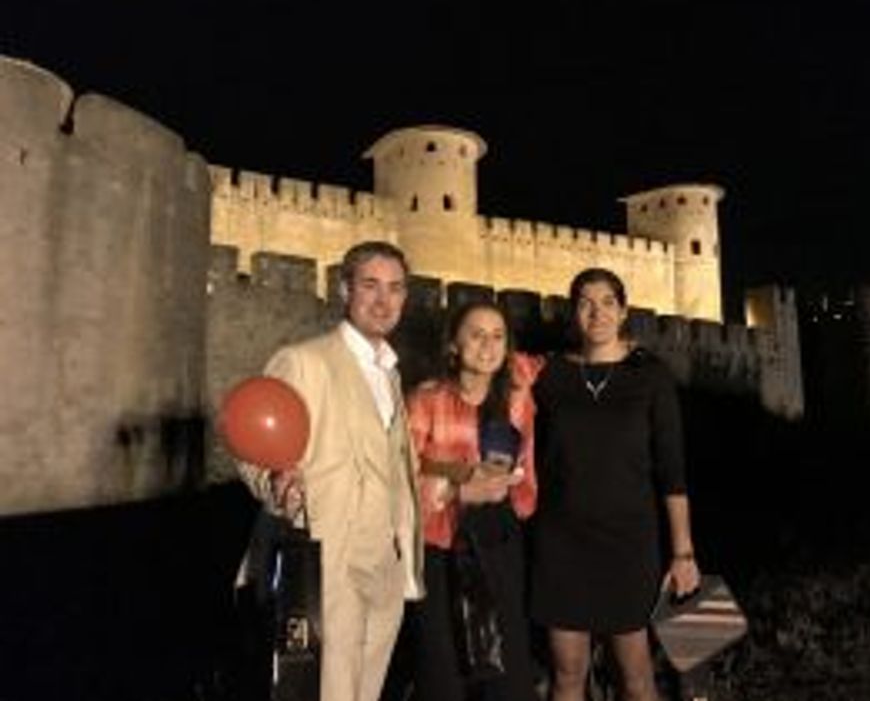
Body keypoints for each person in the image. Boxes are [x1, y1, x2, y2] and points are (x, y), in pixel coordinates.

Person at [236, 240, 424, 701]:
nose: (383, 300)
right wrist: (274, 482)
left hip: (384, 566)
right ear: (344, 290)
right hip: (324, 559)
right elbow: (252, 442)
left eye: (395, 288)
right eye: (370, 285)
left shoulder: (390, 373)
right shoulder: (304, 360)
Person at [530, 268, 701, 701]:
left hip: (629, 543)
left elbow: (672, 470)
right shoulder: (549, 375)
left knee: (636, 678)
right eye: (585, 303)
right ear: (573, 314)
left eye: (608, 302)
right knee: (567, 674)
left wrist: (683, 553)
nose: (597, 313)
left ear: (624, 311)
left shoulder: (651, 376)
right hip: (562, 542)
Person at [406, 301, 539, 701]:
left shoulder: (518, 395)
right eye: (476, 335)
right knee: (443, 671)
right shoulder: (425, 399)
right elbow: (400, 481)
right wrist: (459, 490)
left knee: (508, 670)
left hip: (499, 540)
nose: (488, 345)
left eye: (497, 336)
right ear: (453, 344)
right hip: (441, 544)